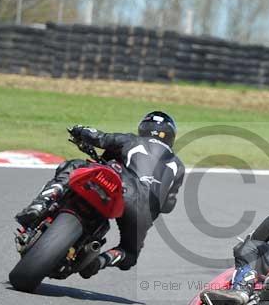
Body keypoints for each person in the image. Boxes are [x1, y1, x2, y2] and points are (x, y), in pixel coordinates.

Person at [15, 111, 185, 274]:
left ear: (144, 128)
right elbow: (169, 205)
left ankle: (42, 203)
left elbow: (100, 138)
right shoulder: (178, 166)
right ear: (171, 136)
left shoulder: (133, 140)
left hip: (122, 187)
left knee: (75, 165)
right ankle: (99, 261)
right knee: (129, 254)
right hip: (143, 212)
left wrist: (79, 130)